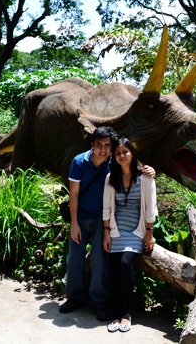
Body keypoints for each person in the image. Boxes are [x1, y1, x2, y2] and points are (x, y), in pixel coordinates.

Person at [60, 127, 155, 322]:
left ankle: (99, 302)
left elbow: (132, 164)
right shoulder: (79, 162)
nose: (103, 150)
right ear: (92, 145)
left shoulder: (114, 161)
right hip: (81, 217)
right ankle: (75, 297)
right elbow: (74, 194)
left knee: (100, 259)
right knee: (74, 259)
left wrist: (150, 169)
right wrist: (74, 223)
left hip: (102, 221)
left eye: (107, 146)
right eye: (98, 145)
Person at [102, 137, 157, 333]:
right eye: (117, 153)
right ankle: (114, 314)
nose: (121, 156)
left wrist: (149, 232)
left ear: (132, 153)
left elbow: (151, 208)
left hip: (136, 231)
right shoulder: (111, 178)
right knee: (113, 269)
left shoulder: (146, 178)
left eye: (125, 151)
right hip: (116, 231)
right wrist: (106, 233)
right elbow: (107, 208)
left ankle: (126, 314)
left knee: (125, 264)